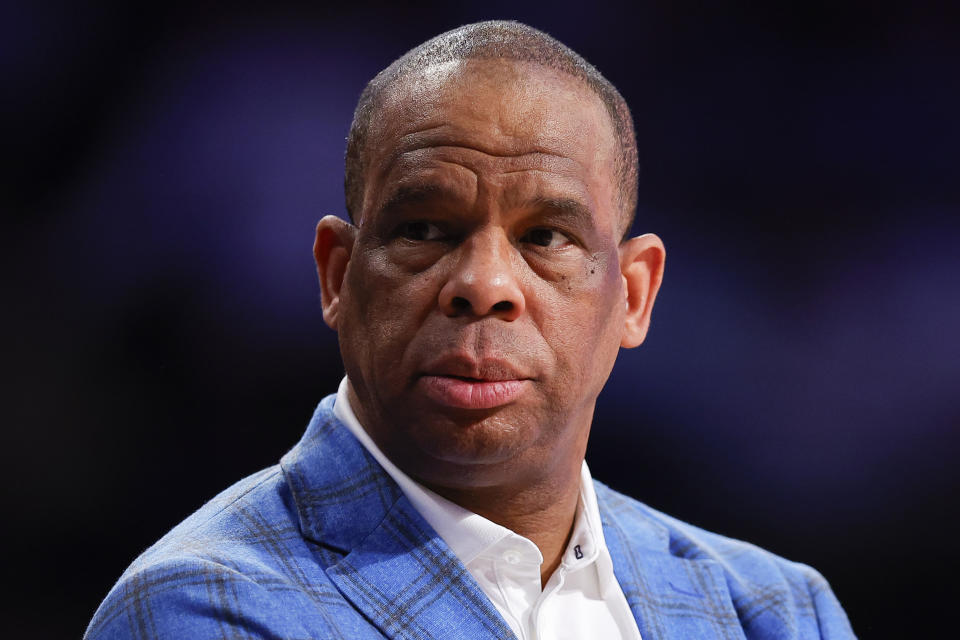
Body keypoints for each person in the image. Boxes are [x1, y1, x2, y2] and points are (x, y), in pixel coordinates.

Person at [85, 21, 855, 640]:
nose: (484, 285)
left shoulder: (779, 613)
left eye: (546, 237)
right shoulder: (204, 610)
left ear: (634, 295)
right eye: (424, 227)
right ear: (337, 277)